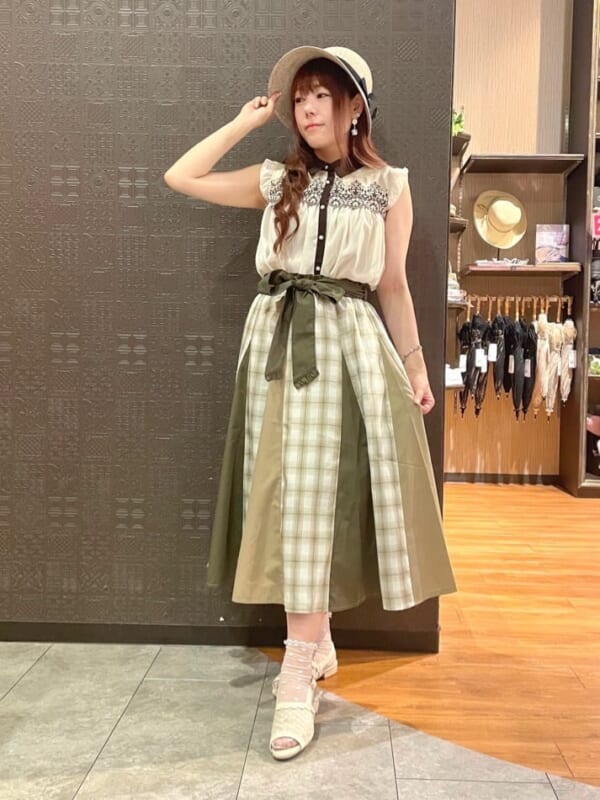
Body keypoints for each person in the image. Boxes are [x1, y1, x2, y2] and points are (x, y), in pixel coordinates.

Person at [164, 45, 456, 762]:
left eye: (323, 94)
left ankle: (298, 670)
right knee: (288, 496)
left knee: (326, 497)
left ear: (356, 107)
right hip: (276, 341)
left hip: (348, 345)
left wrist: (416, 365)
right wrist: (245, 121)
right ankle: (313, 643)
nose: (308, 107)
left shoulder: (388, 186)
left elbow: (393, 285)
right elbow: (183, 175)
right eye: (300, 97)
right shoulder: (276, 180)